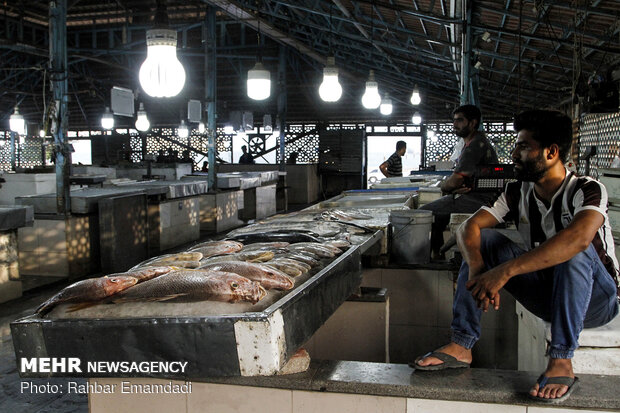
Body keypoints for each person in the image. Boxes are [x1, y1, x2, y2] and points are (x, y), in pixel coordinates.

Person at [412, 110, 619, 403]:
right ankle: (462, 344)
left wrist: (505, 271)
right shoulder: (516, 192)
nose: (514, 153)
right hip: (548, 295)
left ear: (551, 152)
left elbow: (578, 239)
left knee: (574, 251)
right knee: (484, 240)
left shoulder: (586, 190)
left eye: (523, 146)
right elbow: (469, 228)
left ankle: (561, 359)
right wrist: (477, 270)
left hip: (597, 301)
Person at [419, 105, 498, 258]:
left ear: (473, 123)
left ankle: (432, 256)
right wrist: (454, 188)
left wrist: (444, 187)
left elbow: (456, 180)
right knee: (439, 214)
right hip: (477, 195)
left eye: (460, 120)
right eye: (454, 121)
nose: (455, 125)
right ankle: (438, 253)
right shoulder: (477, 142)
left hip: (478, 199)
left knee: (425, 213)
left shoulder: (474, 146)